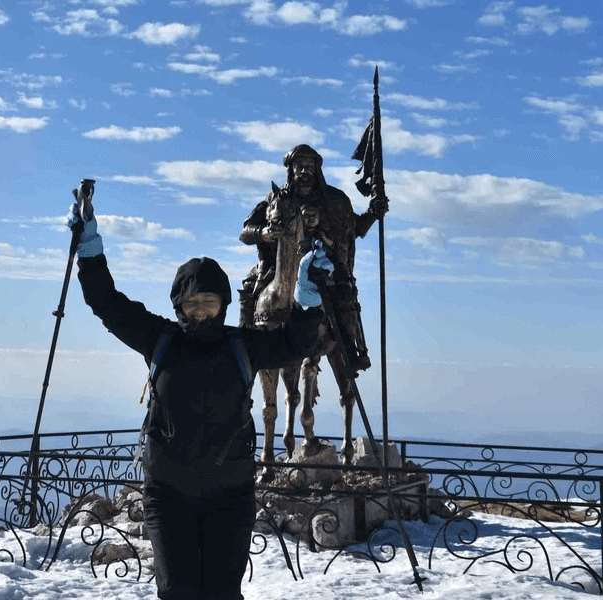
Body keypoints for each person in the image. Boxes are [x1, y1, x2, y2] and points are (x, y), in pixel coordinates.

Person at [67, 197, 332, 600]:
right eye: (194, 305)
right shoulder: (160, 340)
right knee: (178, 590)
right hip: (168, 497)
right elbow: (108, 305)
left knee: (223, 593)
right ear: (179, 306)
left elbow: (291, 342)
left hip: (230, 497)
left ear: (224, 305)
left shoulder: (241, 346)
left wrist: (307, 302)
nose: (203, 314)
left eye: (211, 304)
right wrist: (90, 252)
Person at [238, 143, 387, 372]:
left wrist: (373, 213)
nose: (304, 171)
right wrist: (264, 234)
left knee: (345, 297)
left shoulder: (334, 200)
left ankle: (352, 350)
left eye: (309, 166)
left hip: (320, 266)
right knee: (249, 289)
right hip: (278, 265)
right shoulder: (275, 198)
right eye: (299, 166)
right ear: (291, 169)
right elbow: (245, 232)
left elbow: (354, 228)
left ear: (317, 169)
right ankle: (242, 351)